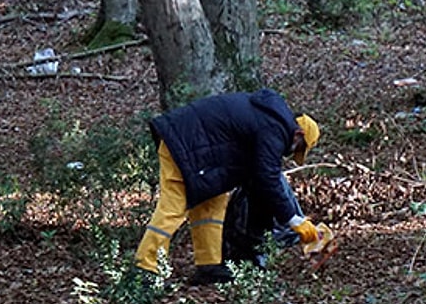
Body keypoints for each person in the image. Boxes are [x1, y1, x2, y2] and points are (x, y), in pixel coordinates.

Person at [134, 88, 321, 285]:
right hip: (183, 145)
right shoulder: (275, 129)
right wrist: (294, 220)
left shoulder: (271, 119)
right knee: (173, 208)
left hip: (200, 151)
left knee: (211, 204)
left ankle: (209, 265)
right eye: (299, 148)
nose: (292, 153)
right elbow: (268, 177)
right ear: (298, 134)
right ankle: (145, 267)